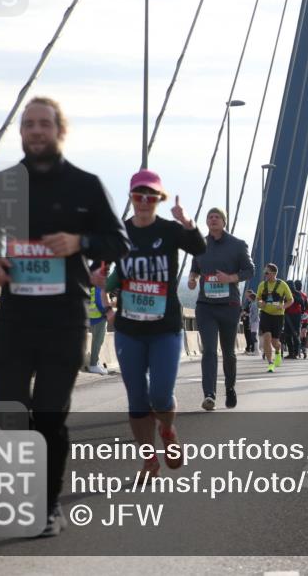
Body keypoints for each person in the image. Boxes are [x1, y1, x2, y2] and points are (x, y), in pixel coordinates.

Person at [0, 97, 130, 537]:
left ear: (59, 130)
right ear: (21, 132)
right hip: (15, 315)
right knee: (7, 406)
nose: (36, 131)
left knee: (49, 415)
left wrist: (80, 242)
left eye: (44, 124)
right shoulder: (4, 183)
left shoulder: (86, 184)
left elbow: (117, 242)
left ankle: (44, 506)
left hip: (64, 318)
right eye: (29, 124)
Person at [106, 170, 206, 476]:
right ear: (132, 198)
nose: (144, 201)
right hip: (129, 330)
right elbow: (105, 275)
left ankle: (168, 430)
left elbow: (200, 249)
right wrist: (106, 300)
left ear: (159, 199)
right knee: (137, 398)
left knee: (161, 395)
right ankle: (148, 458)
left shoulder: (171, 230)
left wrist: (187, 222)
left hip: (165, 329)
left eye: (151, 196)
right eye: (139, 195)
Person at [188, 208, 254, 410]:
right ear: (206, 222)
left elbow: (250, 270)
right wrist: (192, 279)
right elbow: (195, 268)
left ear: (224, 222)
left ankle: (230, 388)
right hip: (205, 306)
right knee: (208, 350)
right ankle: (209, 395)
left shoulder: (237, 245)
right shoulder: (200, 244)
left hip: (229, 306)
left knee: (228, 353)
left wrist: (231, 278)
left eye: (217, 217)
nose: (213, 219)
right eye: (210, 217)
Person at [256, 263, 295, 373]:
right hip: (265, 314)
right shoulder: (262, 285)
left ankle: (278, 350)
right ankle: (270, 363)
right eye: (265, 273)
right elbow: (258, 299)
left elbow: (291, 300)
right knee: (267, 338)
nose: (265, 275)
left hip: (278, 316)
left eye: (267, 273)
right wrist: (260, 303)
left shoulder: (282, 285)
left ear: (273, 273)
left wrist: (283, 306)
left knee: (275, 342)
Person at [86, 262, 112, 375]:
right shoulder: (99, 285)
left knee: (97, 341)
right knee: (98, 342)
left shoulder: (93, 283)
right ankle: (93, 364)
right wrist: (106, 312)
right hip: (99, 317)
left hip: (93, 317)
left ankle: (95, 363)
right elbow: (99, 300)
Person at [284, 279, 308, 359]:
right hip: (287, 315)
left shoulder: (297, 293)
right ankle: (291, 352)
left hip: (296, 315)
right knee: (287, 335)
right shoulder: (285, 293)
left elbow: (301, 302)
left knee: (296, 334)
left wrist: (292, 296)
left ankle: (296, 352)